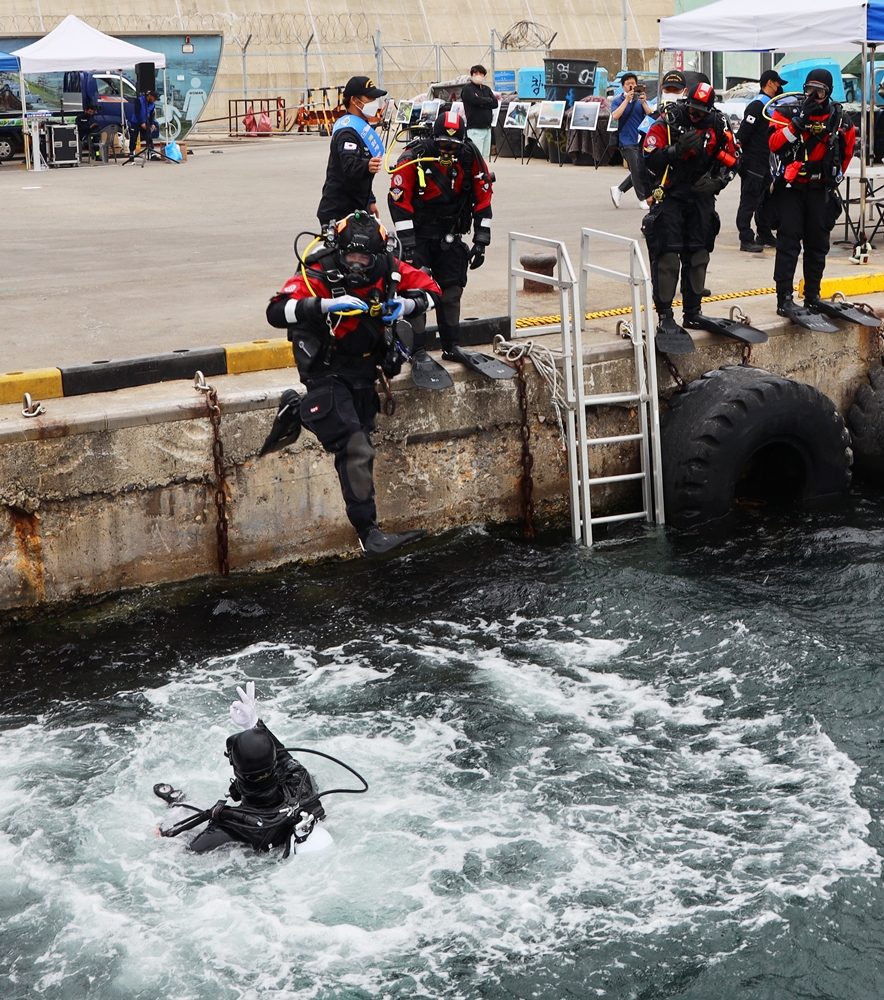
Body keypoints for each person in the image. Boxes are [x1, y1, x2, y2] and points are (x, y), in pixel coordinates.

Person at [263, 210, 440, 555]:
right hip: (325, 370)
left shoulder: (389, 267)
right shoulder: (320, 269)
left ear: (377, 255)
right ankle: (369, 534)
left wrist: (406, 304)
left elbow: (433, 290)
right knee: (355, 447)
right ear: (339, 251)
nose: (356, 264)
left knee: (356, 432)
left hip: (363, 371)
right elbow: (275, 311)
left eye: (364, 257)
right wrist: (324, 303)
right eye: (350, 256)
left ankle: (297, 410)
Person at [388, 110, 508, 378]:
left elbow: (484, 197)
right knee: (418, 291)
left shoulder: (469, 156)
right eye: (443, 144)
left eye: (453, 145)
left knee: (452, 289)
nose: (448, 150)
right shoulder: (414, 156)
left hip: (451, 234)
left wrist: (481, 240)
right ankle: (417, 348)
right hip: (417, 236)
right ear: (433, 138)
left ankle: (451, 344)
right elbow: (398, 201)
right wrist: (407, 246)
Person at [642, 81, 740, 351]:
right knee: (668, 256)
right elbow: (647, 158)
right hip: (672, 195)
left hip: (701, 196)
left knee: (698, 254)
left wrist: (718, 182)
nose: (695, 116)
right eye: (693, 110)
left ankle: (693, 312)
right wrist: (674, 151)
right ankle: (665, 315)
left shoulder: (718, 124)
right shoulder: (670, 120)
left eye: (701, 112)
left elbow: (734, 158)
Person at [188, 682, 327, 854]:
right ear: (274, 764)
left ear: (237, 771)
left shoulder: (227, 828)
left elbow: (188, 852)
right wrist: (253, 724)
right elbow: (285, 758)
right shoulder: (301, 787)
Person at [768, 68, 856, 324]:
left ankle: (812, 295)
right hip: (791, 189)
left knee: (818, 244)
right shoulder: (787, 113)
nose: (813, 96)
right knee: (788, 243)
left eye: (820, 92)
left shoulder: (841, 118)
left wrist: (832, 178)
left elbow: (847, 152)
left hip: (820, 189)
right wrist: (797, 124)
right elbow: (774, 143)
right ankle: (783, 297)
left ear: (828, 93)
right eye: (810, 90)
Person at [316, 76, 388, 226]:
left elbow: (359, 179)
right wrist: (366, 165)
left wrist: (370, 201)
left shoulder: (362, 127)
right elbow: (349, 164)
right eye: (370, 98)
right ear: (355, 100)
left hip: (357, 208)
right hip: (339, 211)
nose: (375, 102)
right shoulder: (347, 132)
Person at [736, 70, 788, 252]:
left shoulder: (771, 106)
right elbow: (743, 134)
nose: (779, 87)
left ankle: (764, 233)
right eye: (777, 83)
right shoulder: (758, 106)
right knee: (749, 199)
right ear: (770, 83)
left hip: (767, 161)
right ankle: (746, 237)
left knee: (766, 199)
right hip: (753, 160)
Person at [609, 73, 654, 209]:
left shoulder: (640, 100)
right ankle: (642, 198)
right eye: (628, 83)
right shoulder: (617, 101)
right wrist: (626, 101)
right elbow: (615, 116)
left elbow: (651, 115)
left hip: (640, 140)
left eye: (633, 83)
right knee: (637, 169)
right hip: (626, 140)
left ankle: (619, 189)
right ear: (623, 86)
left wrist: (643, 102)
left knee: (640, 169)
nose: (631, 86)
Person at [460, 63, 497, 160]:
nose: (479, 76)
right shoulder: (467, 89)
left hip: (487, 127)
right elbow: (473, 100)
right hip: (475, 128)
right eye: (476, 74)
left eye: (481, 74)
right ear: (472, 75)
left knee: (485, 156)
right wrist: (486, 100)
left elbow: (494, 103)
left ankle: (483, 174)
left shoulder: (486, 89)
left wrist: (482, 102)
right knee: (476, 156)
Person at [126, 90, 157, 160]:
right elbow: (137, 113)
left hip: (146, 122)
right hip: (136, 122)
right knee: (133, 138)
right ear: (150, 96)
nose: (154, 100)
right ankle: (131, 153)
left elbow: (152, 115)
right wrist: (141, 122)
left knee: (148, 137)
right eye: (154, 98)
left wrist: (152, 123)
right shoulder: (139, 101)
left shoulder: (152, 104)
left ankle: (152, 153)